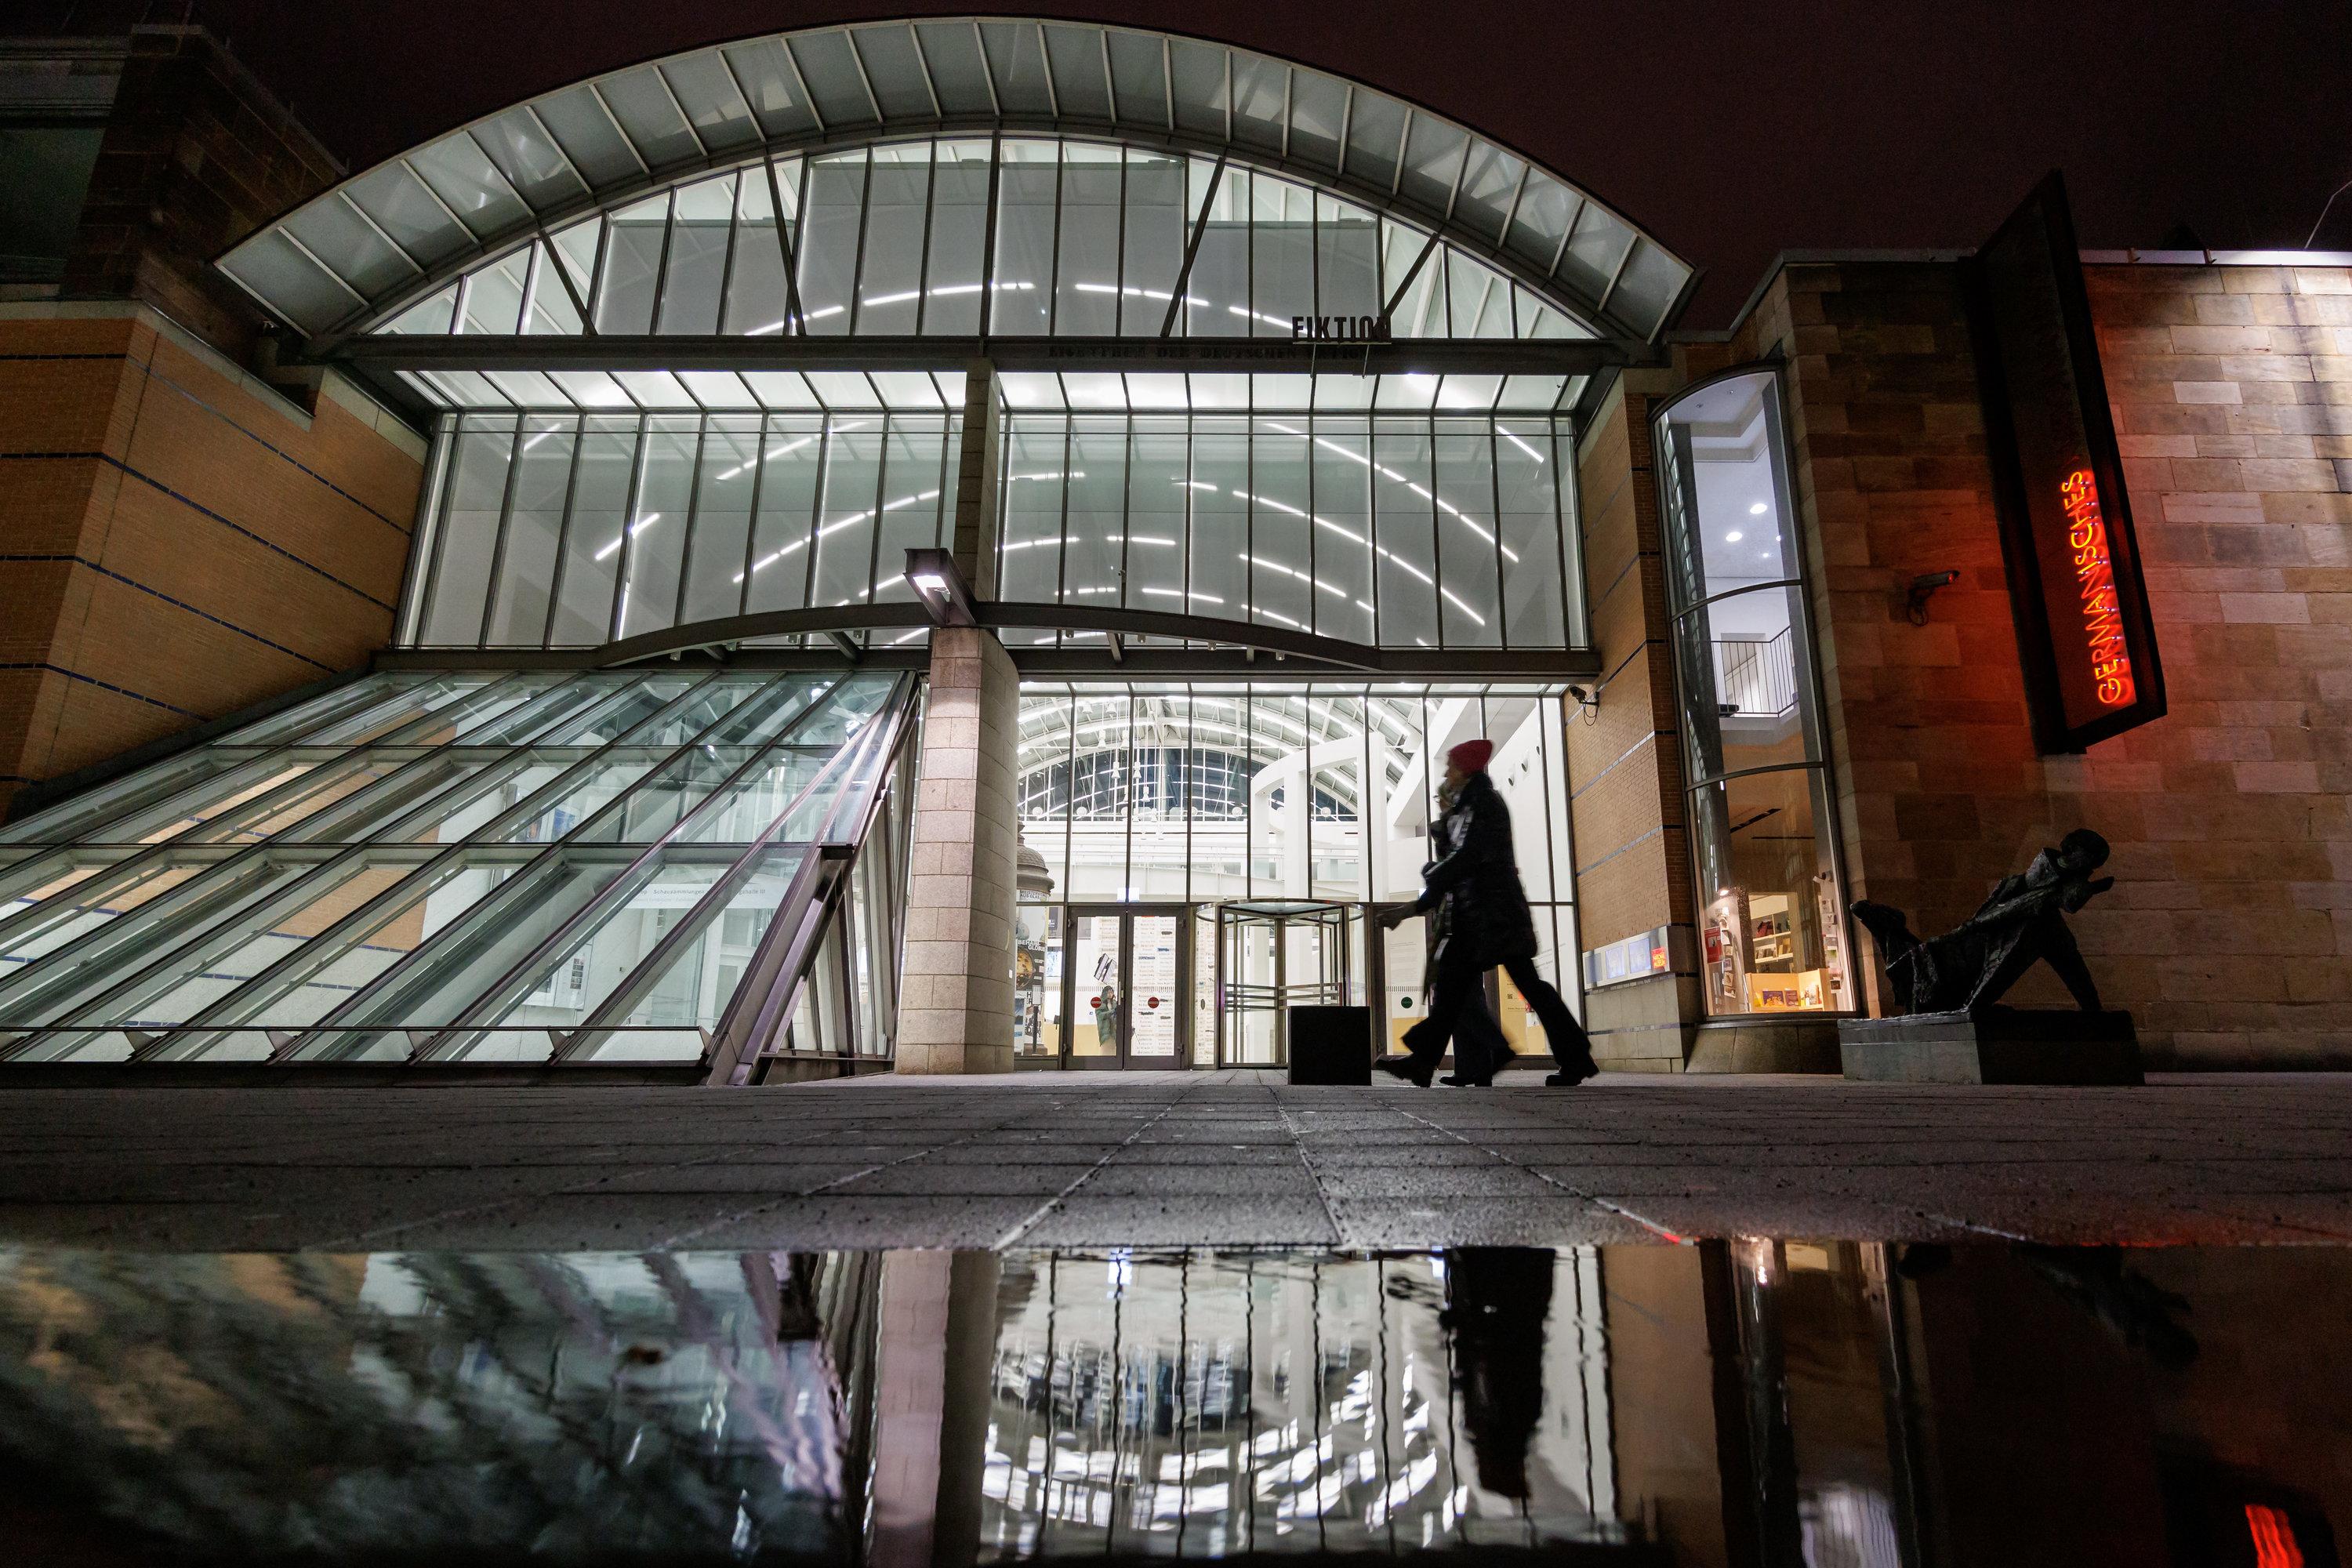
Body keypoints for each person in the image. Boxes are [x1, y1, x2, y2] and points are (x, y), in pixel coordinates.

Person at [1377, 737, 1600, 1088]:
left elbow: (1466, 859)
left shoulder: (1483, 804)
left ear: (1465, 770)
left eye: (1451, 766)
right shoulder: (1467, 807)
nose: (1446, 773)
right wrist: (1409, 908)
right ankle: (1569, 1057)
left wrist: (1431, 873)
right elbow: (1455, 869)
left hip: (1492, 918)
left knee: (1497, 986)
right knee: (1467, 987)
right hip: (1484, 915)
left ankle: (1441, 1059)